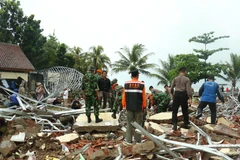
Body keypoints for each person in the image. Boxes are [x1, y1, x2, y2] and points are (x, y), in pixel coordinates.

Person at [122, 69, 146, 144]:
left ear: (131, 75)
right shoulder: (141, 84)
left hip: (129, 107)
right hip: (138, 107)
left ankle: (128, 140)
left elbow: (124, 96)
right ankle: (138, 140)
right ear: (138, 75)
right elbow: (144, 97)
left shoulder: (126, 84)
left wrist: (124, 105)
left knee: (129, 123)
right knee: (138, 124)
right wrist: (144, 107)